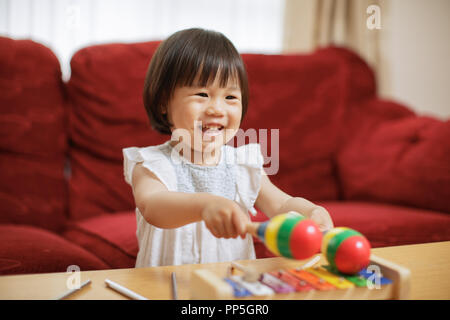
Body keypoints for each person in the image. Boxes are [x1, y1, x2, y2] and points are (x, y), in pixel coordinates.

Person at [123, 28, 333, 268]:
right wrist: (204, 206)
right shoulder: (151, 164)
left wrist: (311, 212)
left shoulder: (242, 165)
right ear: (163, 102)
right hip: (165, 288)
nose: (217, 109)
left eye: (230, 97)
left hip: (231, 289)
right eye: (202, 94)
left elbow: (281, 205)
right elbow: (153, 206)